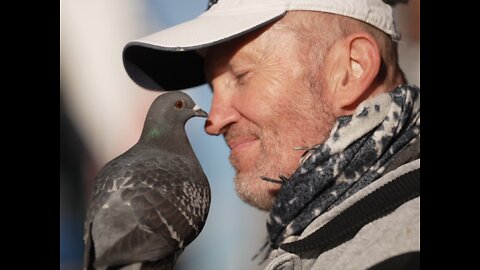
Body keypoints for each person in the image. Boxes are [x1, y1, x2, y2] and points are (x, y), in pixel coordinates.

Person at [122, 0, 420, 269]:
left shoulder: (399, 254)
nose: (213, 120)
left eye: (242, 76)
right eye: (212, 90)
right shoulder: (323, 240)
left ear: (351, 68)